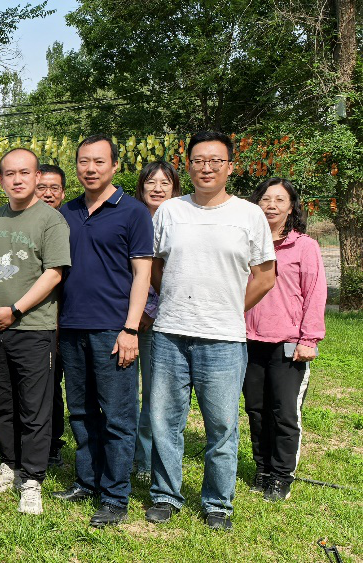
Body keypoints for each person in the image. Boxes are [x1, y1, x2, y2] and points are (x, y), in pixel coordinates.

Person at [147, 131, 276, 531]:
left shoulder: (249, 215)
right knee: (164, 421)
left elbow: (265, 276)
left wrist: (229, 307)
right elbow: (153, 266)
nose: (207, 168)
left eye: (216, 161)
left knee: (221, 426)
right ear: (188, 166)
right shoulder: (169, 212)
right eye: (199, 160)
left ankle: (218, 502)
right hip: (170, 334)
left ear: (230, 167)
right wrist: (173, 299)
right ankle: (165, 495)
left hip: (224, 339)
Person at [52, 135, 153, 528]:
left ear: (114, 166)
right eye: (83, 161)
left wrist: (130, 328)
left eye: (98, 161)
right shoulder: (68, 211)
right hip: (72, 326)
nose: (90, 169)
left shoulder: (133, 212)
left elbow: (142, 274)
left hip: (113, 329)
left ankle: (115, 496)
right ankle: (87, 480)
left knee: (117, 417)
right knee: (80, 411)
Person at [0, 148, 70, 516]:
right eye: (10, 174)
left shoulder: (50, 220)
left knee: (34, 406)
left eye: (24, 173)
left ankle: (32, 479)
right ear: (1, 179)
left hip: (32, 327)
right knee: (2, 402)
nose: (17, 180)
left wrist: (16, 310)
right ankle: (9, 466)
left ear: (36, 176)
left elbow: (54, 273)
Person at [243, 178, 326, 502]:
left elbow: (315, 294)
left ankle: (281, 476)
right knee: (256, 409)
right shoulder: (246, 242)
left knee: (284, 413)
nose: (272, 205)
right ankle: (263, 469)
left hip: (289, 344)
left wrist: (309, 339)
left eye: (280, 200)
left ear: (291, 207)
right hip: (248, 341)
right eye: (266, 199)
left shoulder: (304, 246)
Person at [132, 161, 181, 479]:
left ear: (174, 189)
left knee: (154, 395)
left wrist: (150, 312)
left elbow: (179, 276)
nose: (158, 188)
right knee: (122, 394)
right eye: (151, 182)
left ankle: (145, 460)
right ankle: (123, 454)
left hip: (161, 322)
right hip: (126, 320)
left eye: (165, 183)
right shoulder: (131, 219)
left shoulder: (180, 224)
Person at [34, 163, 68, 467]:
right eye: (41, 187)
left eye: (53, 188)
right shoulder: (27, 222)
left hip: (70, 316)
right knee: (45, 383)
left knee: (57, 384)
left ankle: (54, 441)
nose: (47, 193)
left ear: (63, 192)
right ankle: (43, 442)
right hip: (40, 317)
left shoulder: (68, 221)